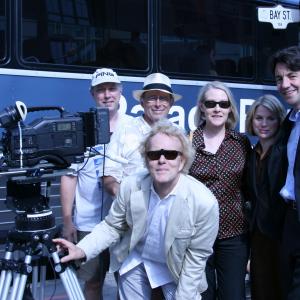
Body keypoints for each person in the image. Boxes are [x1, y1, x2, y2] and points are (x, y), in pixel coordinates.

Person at [54, 120, 219, 300]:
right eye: (154, 154)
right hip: (138, 262)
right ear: (146, 160)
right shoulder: (131, 185)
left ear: (182, 161)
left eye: (171, 154)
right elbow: (112, 226)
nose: (162, 160)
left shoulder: (204, 202)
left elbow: (196, 257)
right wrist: (81, 249)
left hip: (177, 269)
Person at [60, 68, 132, 300]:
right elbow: (70, 176)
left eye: (112, 89)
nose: (107, 94)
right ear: (92, 94)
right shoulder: (79, 127)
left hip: (125, 222)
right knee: (92, 283)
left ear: (121, 92)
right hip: (88, 223)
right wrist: (68, 220)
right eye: (101, 90)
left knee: (127, 283)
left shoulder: (133, 127)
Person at [189, 81, 250, 300]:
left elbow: (250, 189)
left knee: (233, 296)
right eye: (211, 103)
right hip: (196, 235)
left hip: (233, 236)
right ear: (202, 107)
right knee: (201, 296)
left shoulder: (241, 143)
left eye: (223, 104)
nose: (217, 108)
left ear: (230, 108)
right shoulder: (187, 141)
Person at [103, 72, 182, 197]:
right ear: (142, 102)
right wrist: (124, 197)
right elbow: (108, 175)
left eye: (163, 98)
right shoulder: (124, 130)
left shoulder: (179, 133)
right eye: (152, 98)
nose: (157, 104)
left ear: (171, 103)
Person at [245, 94, 286, 300]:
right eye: (259, 118)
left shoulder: (286, 152)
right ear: (251, 120)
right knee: (260, 292)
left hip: (282, 237)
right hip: (259, 238)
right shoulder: (252, 154)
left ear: (280, 120)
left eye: (270, 118)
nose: (264, 124)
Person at [269, 46, 300, 299]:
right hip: (289, 220)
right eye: (279, 78)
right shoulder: (290, 121)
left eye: (292, 75)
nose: (285, 84)